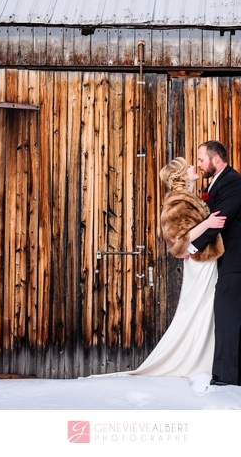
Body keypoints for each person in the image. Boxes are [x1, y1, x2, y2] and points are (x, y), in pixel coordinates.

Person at [92, 157, 226, 378]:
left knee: (204, 309)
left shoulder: (187, 198)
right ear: (183, 175)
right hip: (200, 262)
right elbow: (178, 239)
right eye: (189, 166)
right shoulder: (176, 201)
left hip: (205, 260)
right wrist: (208, 223)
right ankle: (193, 361)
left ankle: (203, 358)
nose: (194, 167)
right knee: (198, 309)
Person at [190, 140, 241, 390]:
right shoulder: (216, 182)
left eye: (201, 159)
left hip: (239, 256)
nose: (198, 164)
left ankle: (223, 379)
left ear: (216, 159)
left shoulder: (232, 181)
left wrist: (191, 246)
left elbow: (218, 219)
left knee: (226, 317)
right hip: (235, 258)